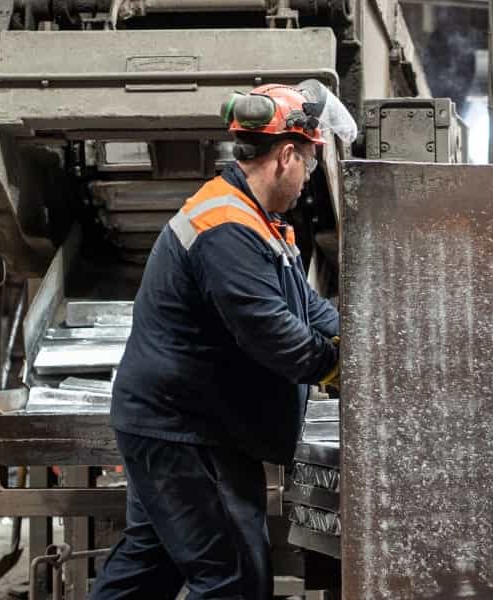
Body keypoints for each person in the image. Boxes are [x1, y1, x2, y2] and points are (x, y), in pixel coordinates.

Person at [91, 83, 340, 600]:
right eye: (310, 165)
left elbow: (307, 308)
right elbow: (278, 338)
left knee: (148, 569)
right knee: (233, 581)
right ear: (286, 157)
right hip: (190, 436)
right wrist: (344, 369)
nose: (308, 180)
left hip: (175, 427)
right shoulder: (227, 227)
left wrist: (361, 333)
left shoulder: (257, 221)